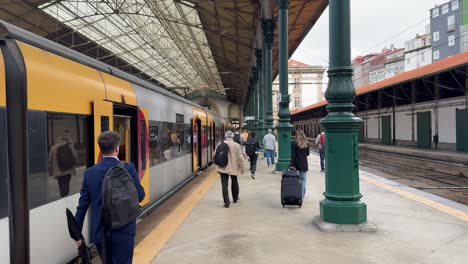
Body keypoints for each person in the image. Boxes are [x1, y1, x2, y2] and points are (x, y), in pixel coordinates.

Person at [74, 131, 145, 264]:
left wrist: (77, 234)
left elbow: (82, 205)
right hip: (125, 229)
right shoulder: (128, 167)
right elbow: (140, 196)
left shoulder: (89, 173)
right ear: (117, 148)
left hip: (100, 231)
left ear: (100, 150)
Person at [216, 130, 245, 208]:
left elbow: (215, 155)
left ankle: (226, 202)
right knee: (234, 181)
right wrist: (242, 168)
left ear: (225, 136)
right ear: (233, 136)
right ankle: (235, 199)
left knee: (224, 185)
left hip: (223, 167)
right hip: (234, 167)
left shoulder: (221, 144)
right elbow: (241, 158)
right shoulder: (237, 145)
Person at [48, 130, 78, 197]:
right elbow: (75, 156)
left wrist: (50, 171)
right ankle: (65, 199)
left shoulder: (53, 148)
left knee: (61, 186)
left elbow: (50, 161)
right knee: (66, 186)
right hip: (68, 170)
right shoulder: (70, 146)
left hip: (58, 171)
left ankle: (63, 198)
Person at [290, 130, 310, 199]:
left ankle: (298, 194)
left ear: (296, 135)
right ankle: (302, 196)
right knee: (303, 180)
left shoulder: (293, 143)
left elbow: (293, 155)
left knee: (297, 180)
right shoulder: (306, 143)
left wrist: (291, 165)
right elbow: (308, 154)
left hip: (296, 164)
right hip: (304, 164)